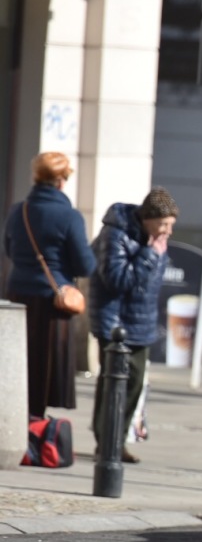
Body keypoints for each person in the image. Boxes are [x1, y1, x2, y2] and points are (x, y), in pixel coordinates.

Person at [88, 187, 179, 464]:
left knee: (135, 383)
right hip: (114, 322)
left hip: (141, 321)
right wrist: (150, 254)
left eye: (171, 225)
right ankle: (107, 443)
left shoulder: (156, 240)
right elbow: (117, 279)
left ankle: (117, 439)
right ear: (146, 219)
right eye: (162, 224)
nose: (167, 231)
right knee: (113, 381)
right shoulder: (115, 235)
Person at [2, 152, 97, 418]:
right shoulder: (69, 217)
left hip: (17, 294)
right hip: (53, 302)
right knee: (44, 368)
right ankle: (35, 423)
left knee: (18, 363)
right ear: (61, 181)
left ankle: (16, 420)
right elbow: (85, 266)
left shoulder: (18, 210)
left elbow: (8, 249)